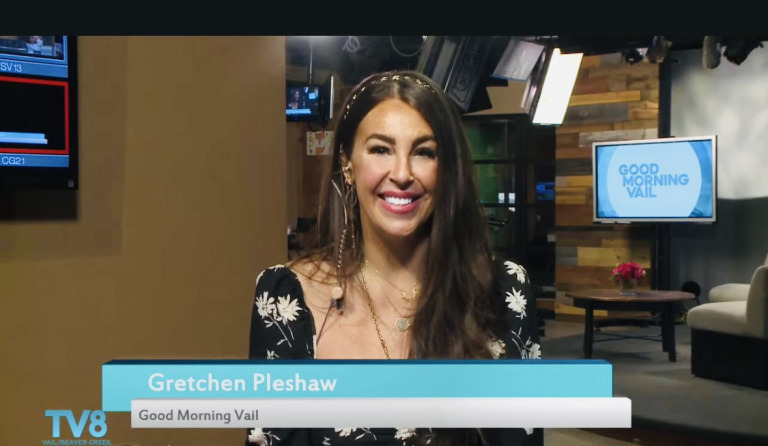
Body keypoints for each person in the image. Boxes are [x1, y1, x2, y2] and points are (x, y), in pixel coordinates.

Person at [248, 70, 542, 446]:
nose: (402, 174)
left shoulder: (506, 291)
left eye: (424, 152)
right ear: (347, 163)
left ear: (446, 168)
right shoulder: (285, 297)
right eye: (380, 149)